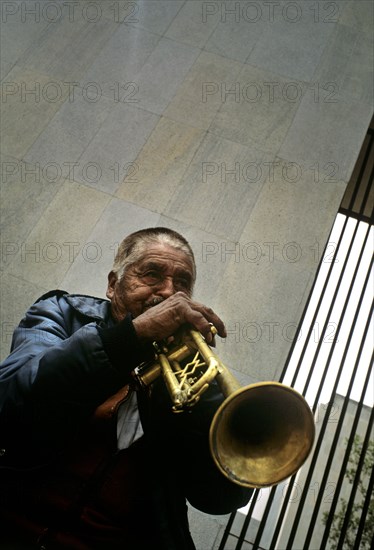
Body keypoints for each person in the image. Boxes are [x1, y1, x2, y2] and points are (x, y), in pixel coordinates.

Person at [0, 227, 252, 550]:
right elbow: (11, 396)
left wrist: (206, 405)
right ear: (112, 284)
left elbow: (221, 497)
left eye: (182, 284)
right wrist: (129, 339)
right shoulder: (63, 313)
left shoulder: (193, 372)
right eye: (151, 274)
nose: (167, 293)